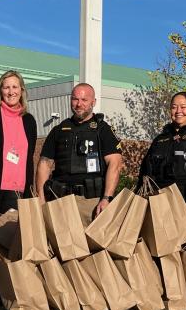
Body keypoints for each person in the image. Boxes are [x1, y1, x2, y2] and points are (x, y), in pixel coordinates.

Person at [35, 83, 124, 215]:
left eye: (84, 100)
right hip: (59, 201)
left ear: (93, 102)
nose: (79, 104)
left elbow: (115, 164)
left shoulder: (103, 130)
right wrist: (41, 199)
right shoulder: (59, 130)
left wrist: (106, 198)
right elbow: (44, 164)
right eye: (75, 99)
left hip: (91, 203)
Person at [0, 70, 37, 211]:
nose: (11, 92)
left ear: (22, 90)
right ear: (0, 91)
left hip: (19, 192)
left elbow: (29, 156)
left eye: (15, 87)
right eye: (6, 87)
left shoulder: (29, 121)